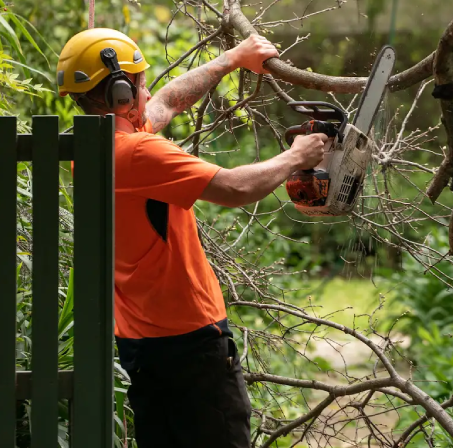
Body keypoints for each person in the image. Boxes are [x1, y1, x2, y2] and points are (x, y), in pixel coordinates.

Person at [57, 28, 326, 448]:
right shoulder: (138, 152)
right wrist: (297, 155)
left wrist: (233, 58)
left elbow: (167, 101)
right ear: (121, 94)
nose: (148, 93)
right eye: (140, 84)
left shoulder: (88, 149)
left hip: (141, 344)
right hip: (190, 342)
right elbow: (235, 188)